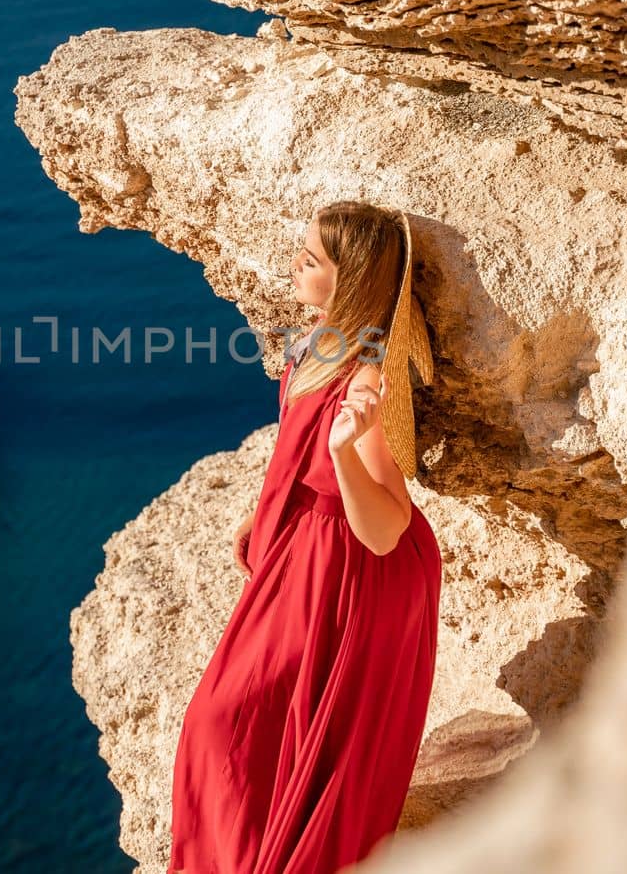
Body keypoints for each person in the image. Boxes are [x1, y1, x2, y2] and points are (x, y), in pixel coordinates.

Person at [166, 200, 444, 874]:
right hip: (305, 546)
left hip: (355, 569)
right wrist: (267, 512)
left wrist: (347, 449)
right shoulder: (311, 346)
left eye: (313, 259)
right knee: (224, 723)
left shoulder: (367, 377)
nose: (295, 262)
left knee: (229, 722)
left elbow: (387, 527)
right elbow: (294, 447)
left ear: (348, 280)